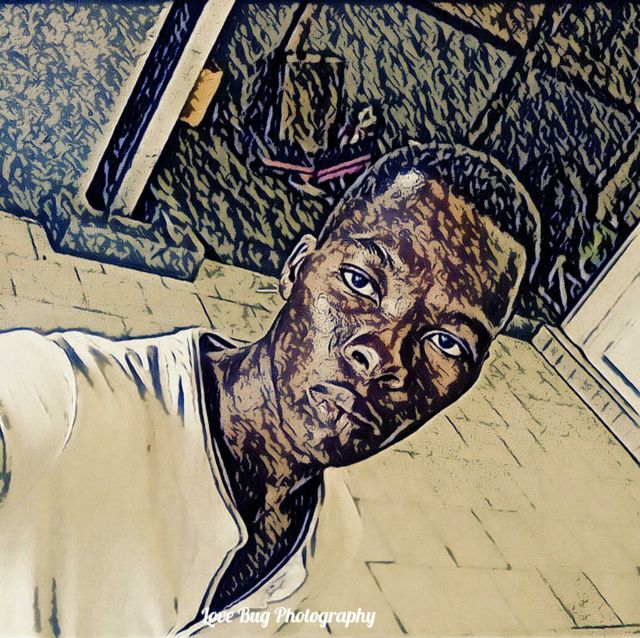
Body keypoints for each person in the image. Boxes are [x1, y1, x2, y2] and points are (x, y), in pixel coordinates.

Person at [0, 143, 540, 637]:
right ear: (298, 269)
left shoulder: (330, 539)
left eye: (448, 342)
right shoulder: (69, 398)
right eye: (360, 282)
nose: (383, 356)